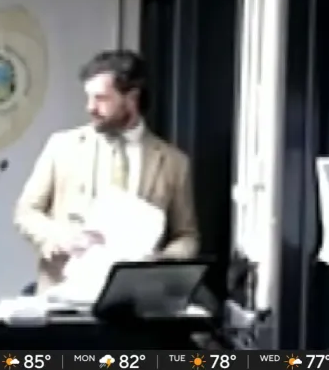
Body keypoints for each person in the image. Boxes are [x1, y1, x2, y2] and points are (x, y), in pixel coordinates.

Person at [14, 49, 200, 293]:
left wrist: (162, 260)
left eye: (101, 98)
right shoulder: (62, 146)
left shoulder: (174, 163)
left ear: (132, 98)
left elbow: (187, 237)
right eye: (88, 98)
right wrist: (60, 237)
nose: (90, 108)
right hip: (64, 294)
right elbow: (26, 212)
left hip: (136, 302)